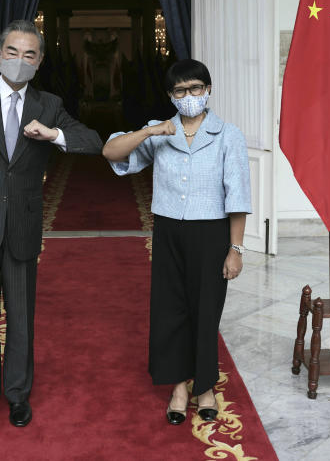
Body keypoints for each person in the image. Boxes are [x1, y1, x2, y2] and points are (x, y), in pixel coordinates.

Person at [0, 20, 103, 429]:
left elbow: (94, 142)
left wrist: (54, 134)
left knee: (21, 319)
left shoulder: (48, 104)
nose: (19, 61)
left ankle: (17, 396)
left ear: (40, 61)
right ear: (0, 53)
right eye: (12, 52)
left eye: (29, 55)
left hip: (24, 228)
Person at [102, 58, 251, 425]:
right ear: (171, 95)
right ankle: (178, 387)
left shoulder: (227, 135)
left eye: (196, 88)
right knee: (171, 310)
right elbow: (111, 153)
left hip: (211, 233)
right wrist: (149, 133)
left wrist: (235, 249)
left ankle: (205, 387)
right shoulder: (160, 130)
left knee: (205, 311)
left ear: (208, 90)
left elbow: (238, 196)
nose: (189, 96)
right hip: (168, 231)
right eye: (180, 91)